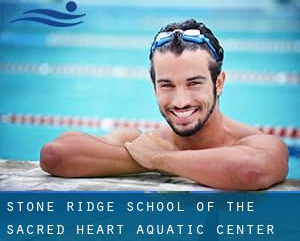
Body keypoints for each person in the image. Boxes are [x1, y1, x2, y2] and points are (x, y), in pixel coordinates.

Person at [40, 19, 288, 190]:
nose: (180, 102)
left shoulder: (255, 142)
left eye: (194, 84)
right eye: (167, 85)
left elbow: (249, 171)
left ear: (219, 82)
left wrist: (161, 159)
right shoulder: (142, 140)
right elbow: (56, 155)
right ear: (154, 86)